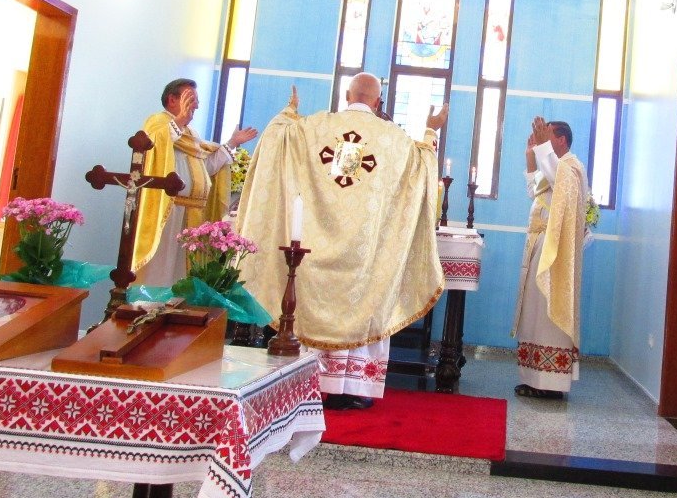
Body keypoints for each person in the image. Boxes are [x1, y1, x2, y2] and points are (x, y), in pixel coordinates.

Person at [236, 73, 447, 411]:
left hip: (313, 250)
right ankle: (352, 387)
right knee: (363, 304)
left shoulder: (313, 128)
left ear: (346, 95)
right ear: (378, 102)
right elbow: (422, 164)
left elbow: (277, 137)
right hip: (364, 256)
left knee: (308, 302)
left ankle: (307, 383)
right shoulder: (393, 140)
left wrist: (287, 113)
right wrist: (431, 130)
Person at [132, 79, 258, 286]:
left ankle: (174, 305)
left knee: (181, 273)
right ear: (172, 100)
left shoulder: (191, 134)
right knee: (161, 268)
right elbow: (154, 144)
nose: (197, 105)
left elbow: (204, 169)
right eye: (191, 99)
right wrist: (180, 120)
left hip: (193, 213)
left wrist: (232, 143)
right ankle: (148, 303)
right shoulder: (157, 122)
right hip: (167, 210)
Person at [512, 116, 589, 400]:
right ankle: (535, 378)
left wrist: (541, 148)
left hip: (556, 250)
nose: (543, 139)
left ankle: (551, 383)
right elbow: (534, 189)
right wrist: (530, 157)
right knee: (534, 311)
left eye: (548, 136)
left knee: (548, 311)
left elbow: (557, 175)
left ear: (562, 140)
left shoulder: (572, 167)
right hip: (540, 244)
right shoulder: (554, 165)